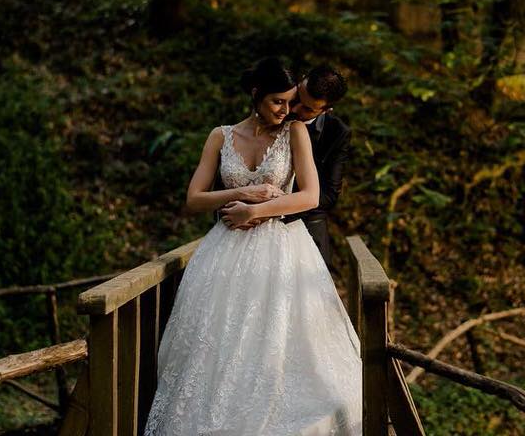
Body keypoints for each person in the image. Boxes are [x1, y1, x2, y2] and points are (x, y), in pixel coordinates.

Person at [143, 57, 362, 436]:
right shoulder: (220, 135)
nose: (287, 109)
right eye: (279, 101)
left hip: (280, 248)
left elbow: (311, 196)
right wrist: (241, 193)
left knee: (275, 343)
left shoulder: (295, 133)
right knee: (216, 344)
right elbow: (194, 199)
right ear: (256, 94)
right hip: (223, 253)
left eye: (290, 102)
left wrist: (257, 212)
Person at [284, 66, 351, 269]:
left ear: (326, 110)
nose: (294, 110)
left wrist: (277, 208)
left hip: (307, 229)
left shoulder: (337, 132)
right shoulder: (274, 108)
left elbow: (329, 194)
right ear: (301, 80)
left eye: (307, 109)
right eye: (297, 99)